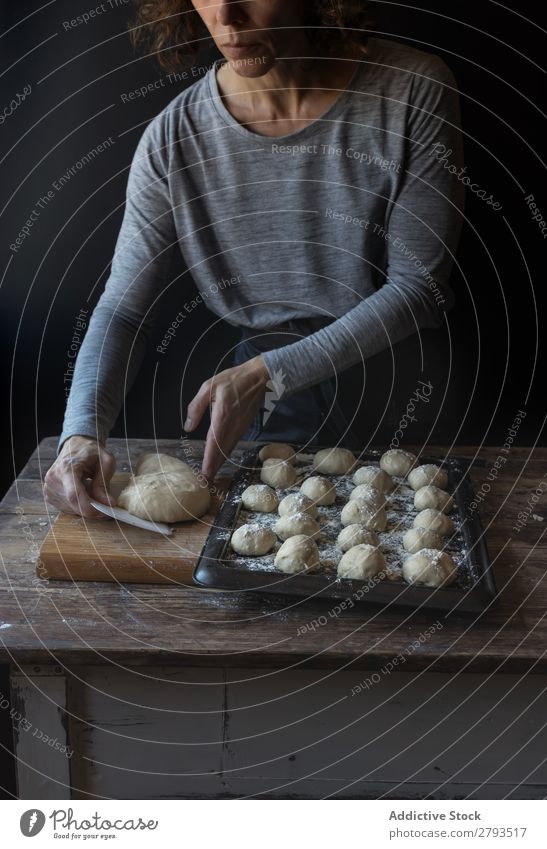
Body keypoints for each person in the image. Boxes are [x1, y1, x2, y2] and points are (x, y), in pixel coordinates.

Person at [44, 0, 464, 519]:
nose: (226, 14)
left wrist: (267, 374)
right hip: (283, 412)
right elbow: (124, 311)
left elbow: (420, 285)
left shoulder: (410, 89)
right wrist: (81, 432)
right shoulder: (174, 139)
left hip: (412, 392)